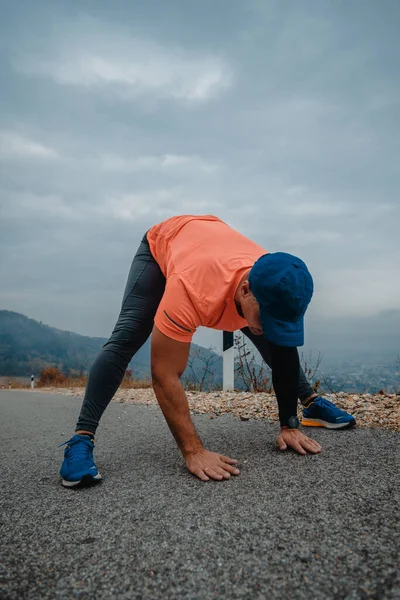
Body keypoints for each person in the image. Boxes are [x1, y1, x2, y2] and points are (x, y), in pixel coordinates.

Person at [60, 215, 355, 487]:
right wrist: (194, 451)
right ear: (245, 290)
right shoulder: (192, 290)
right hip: (166, 242)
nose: (269, 326)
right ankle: (81, 439)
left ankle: (310, 404)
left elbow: (284, 349)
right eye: (267, 317)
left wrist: (288, 424)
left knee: (271, 339)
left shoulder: (277, 281)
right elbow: (164, 375)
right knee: (127, 335)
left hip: (212, 242)